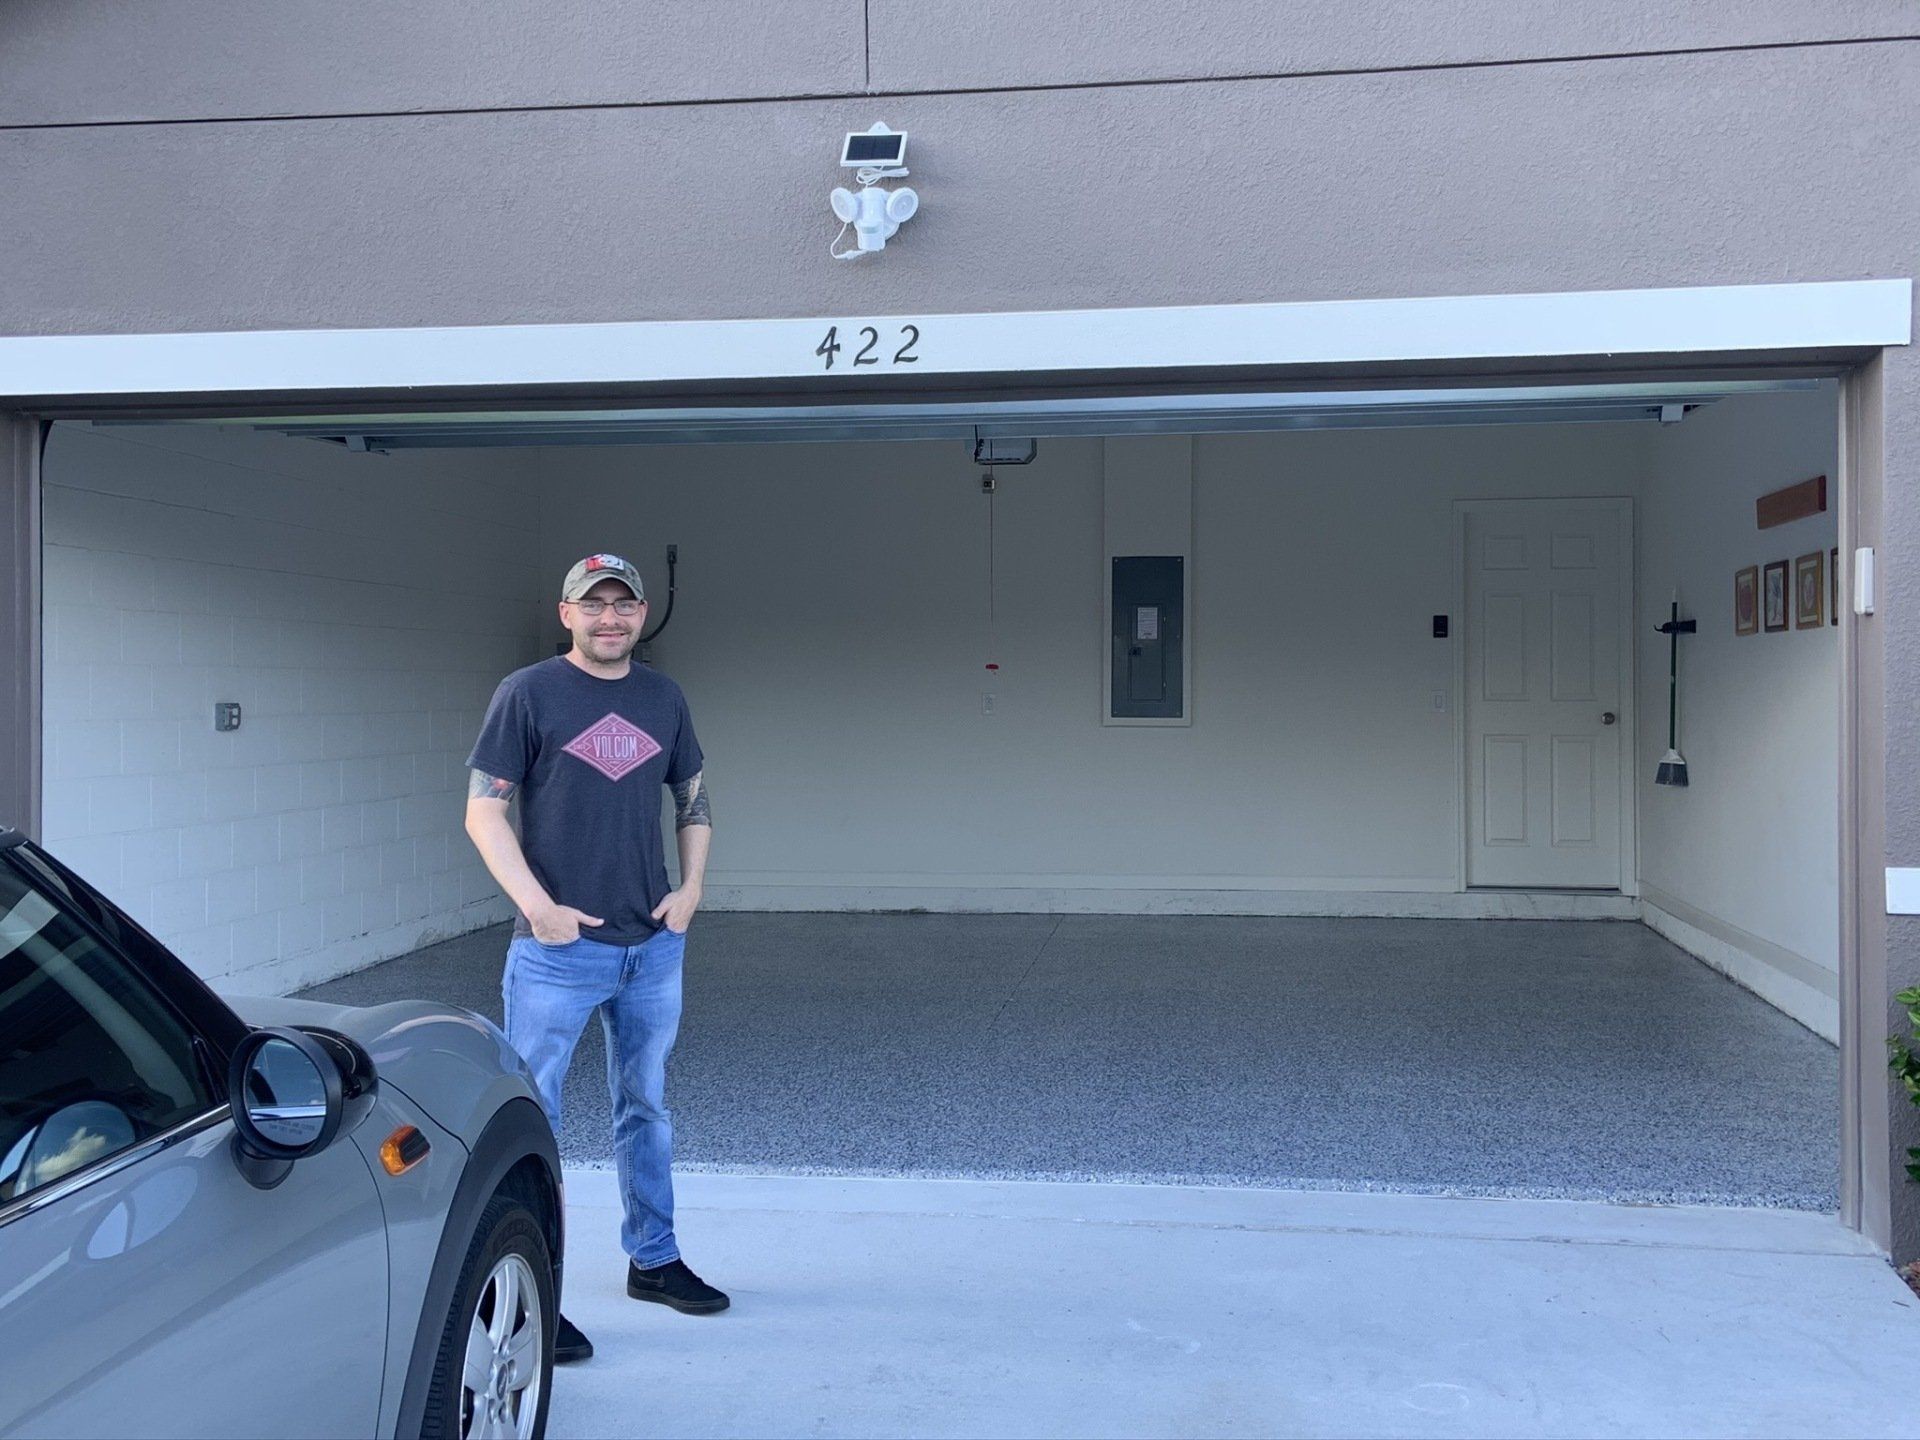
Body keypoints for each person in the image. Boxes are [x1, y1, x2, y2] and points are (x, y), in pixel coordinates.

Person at [464, 553, 725, 1366]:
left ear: (643, 612)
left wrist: (691, 890)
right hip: (555, 952)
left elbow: (694, 797)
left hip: (651, 947)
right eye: (594, 605)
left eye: (623, 605)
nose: (610, 619)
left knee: (645, 1106)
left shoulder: (663, 697)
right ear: (566, 612)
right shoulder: (528, 692)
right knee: (531, 1123)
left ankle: (654, 1260)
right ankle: (532, 1292)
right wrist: (538, 909)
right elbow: (483, 810)